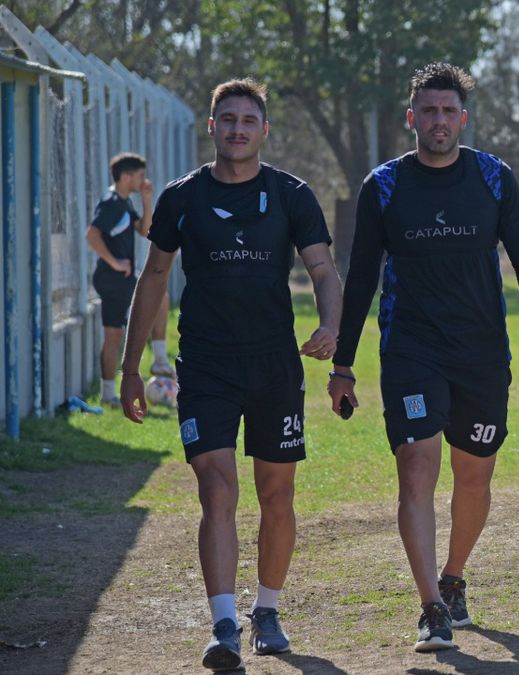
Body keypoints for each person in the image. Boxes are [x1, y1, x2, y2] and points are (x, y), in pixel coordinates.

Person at [119, 78, 342, 671]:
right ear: (211, 126)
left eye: (249, 120)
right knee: (215, 490)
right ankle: (224, 627)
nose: (238, 129)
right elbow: (155, 279)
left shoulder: (292, 195)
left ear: (264, 131)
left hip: (273, 366)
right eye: (228, 119)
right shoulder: (179, 198)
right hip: (208, 366)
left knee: (276, 493)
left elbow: (322, 269)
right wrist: (131, 367)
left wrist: (332, 325)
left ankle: (267, 611)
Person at [328, 62, 519, 652]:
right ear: (412, 118)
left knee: (474, 472)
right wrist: (344, 364)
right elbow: (361, 280)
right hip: (411, 348)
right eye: (428, 111)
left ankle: (453, 578)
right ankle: (430, 606)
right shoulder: (384, 185)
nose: (439, 121)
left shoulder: (493, 178)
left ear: (463, 118)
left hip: (480, 350)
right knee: (418, 464)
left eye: (448, 111)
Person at [86, 153, 175, 407]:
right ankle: (109, 392)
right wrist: (115, 262)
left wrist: (147, 201)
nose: (143, 180)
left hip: (121, 277)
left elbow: (146, 231)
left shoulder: (124, 202)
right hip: (112, 278)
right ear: (126, 177)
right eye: (139, 176)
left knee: (158, 301)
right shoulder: (111, 202)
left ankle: (155, 361)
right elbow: (92, 235)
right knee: (115, 334)